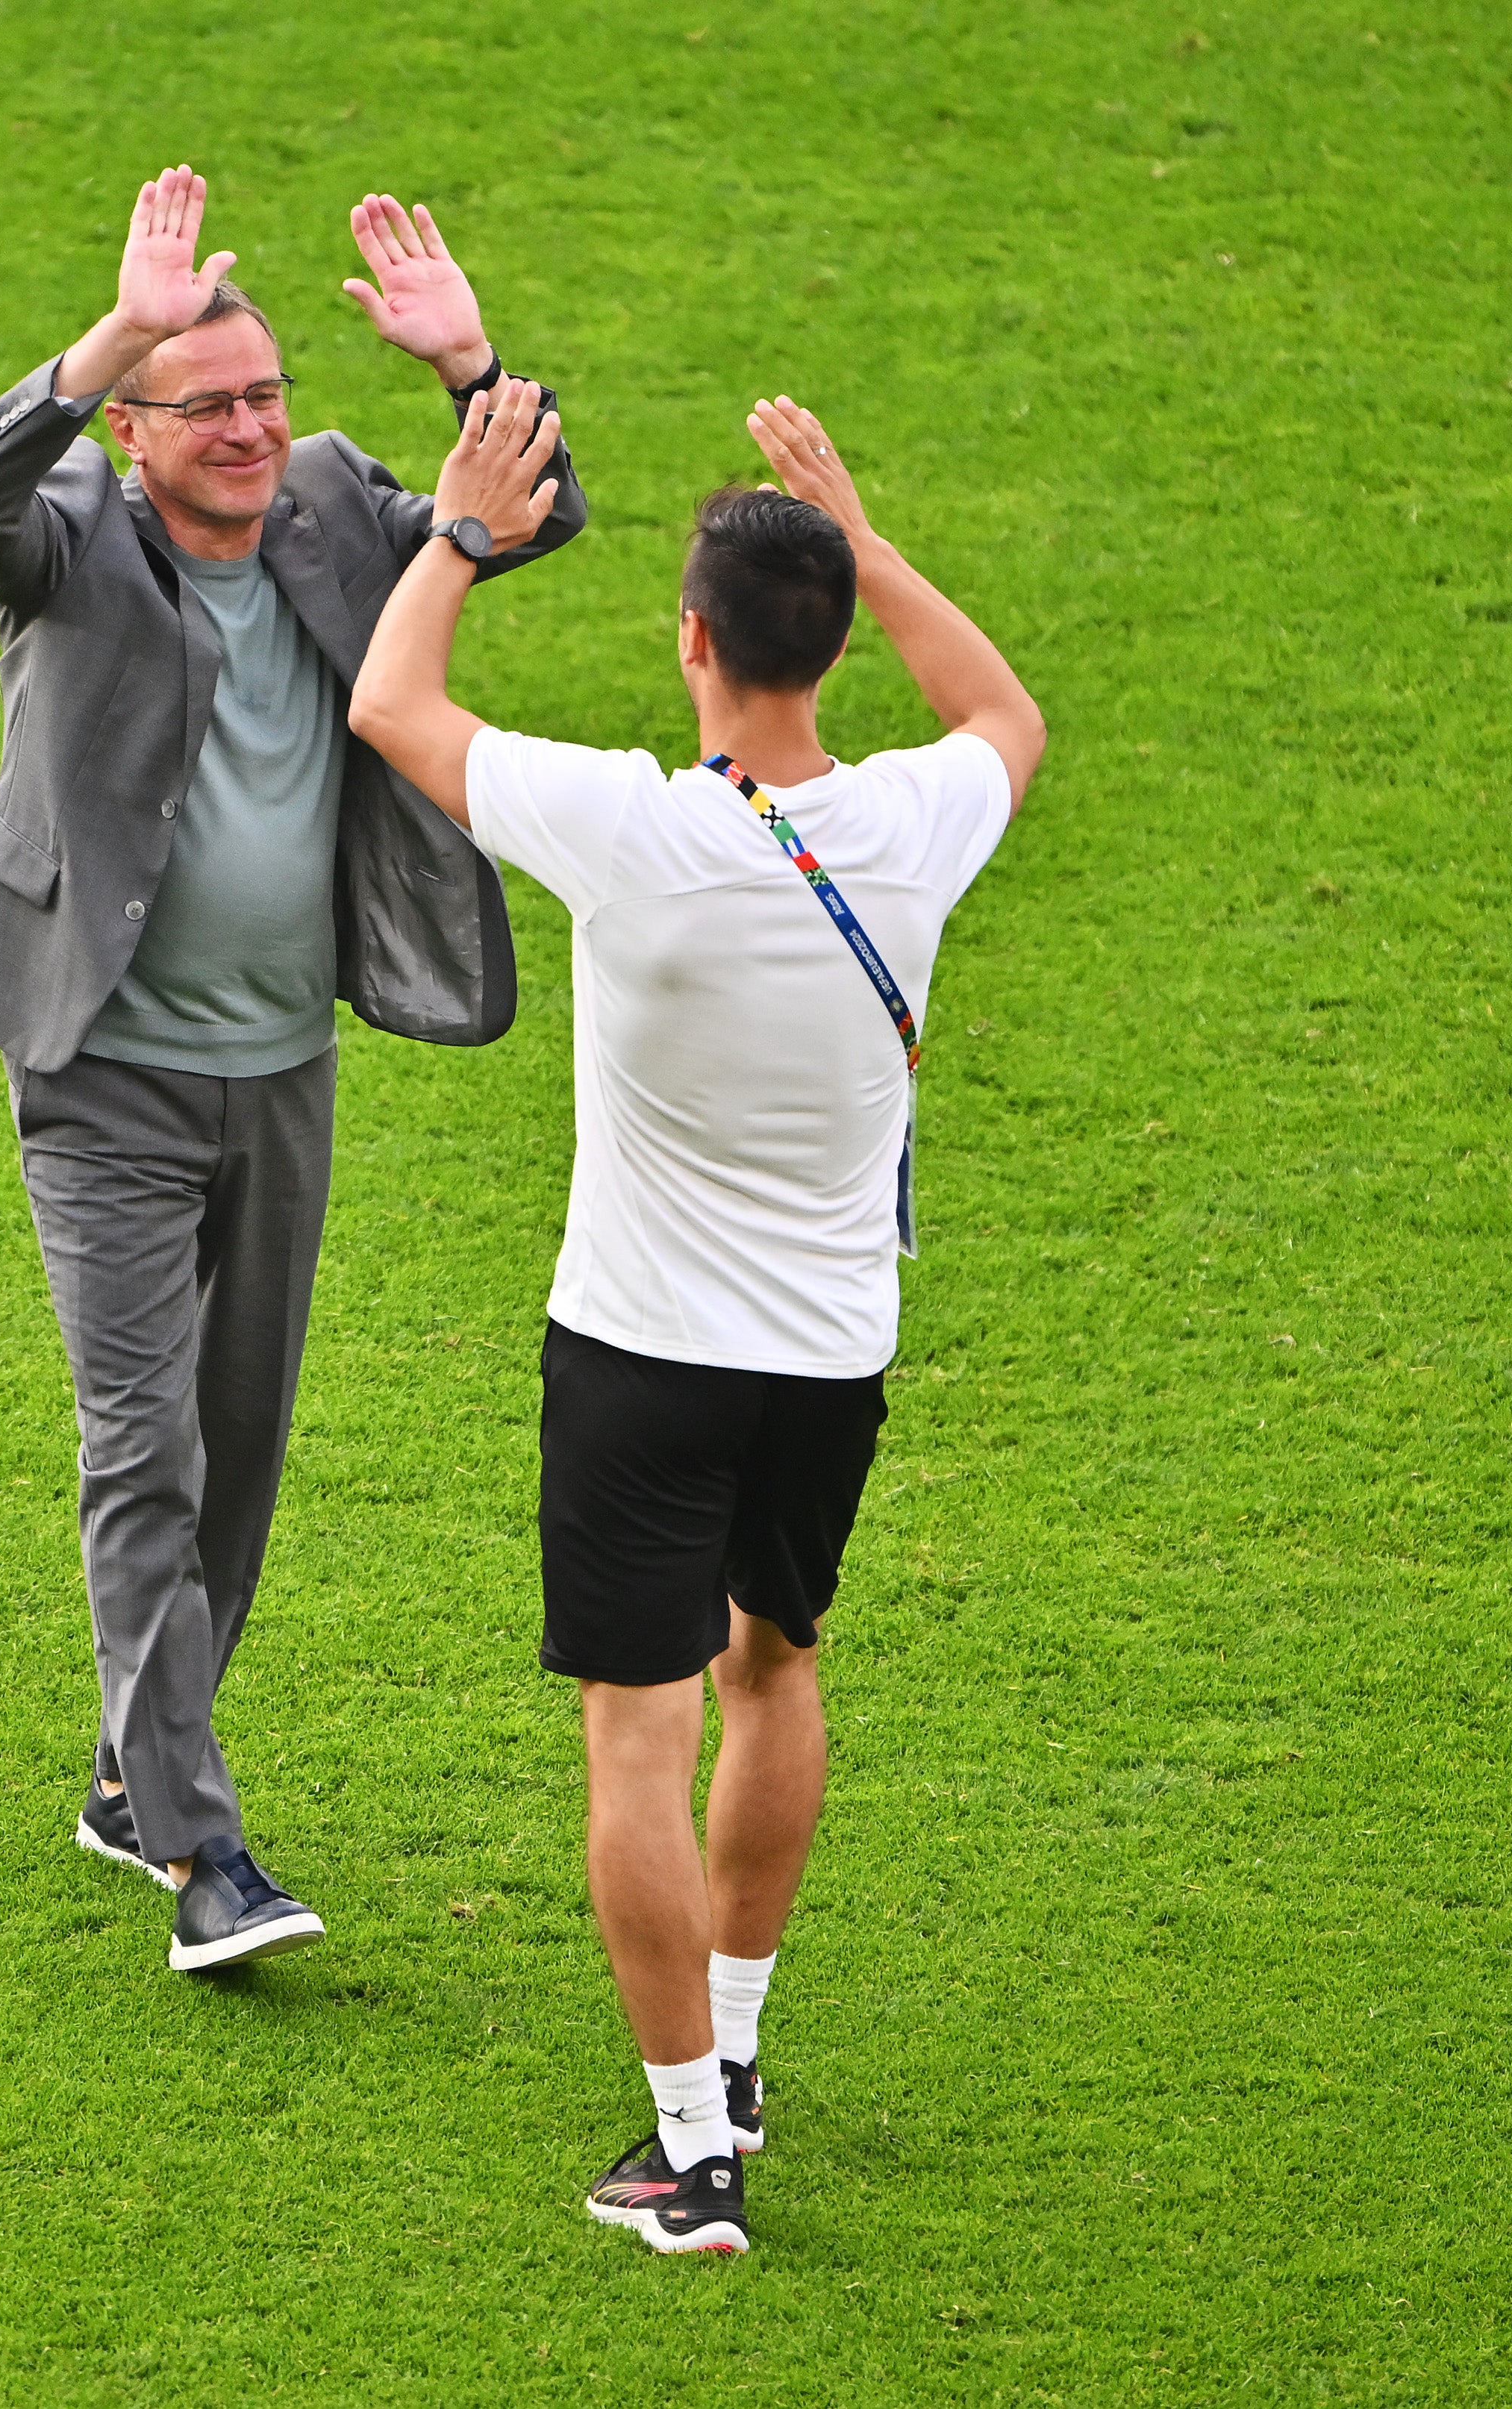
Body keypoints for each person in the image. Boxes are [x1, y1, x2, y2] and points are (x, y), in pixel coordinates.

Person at [346, 384, 1043, 2252]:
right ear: (827, 642)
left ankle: (687, 2154)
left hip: (641, 1360)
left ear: (692, 645)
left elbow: (391, 706)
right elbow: (1007, 713)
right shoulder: (917, 825)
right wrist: (863, 537)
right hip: (833, 1365)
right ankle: (731, 2050)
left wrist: (463, 533)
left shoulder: (629, 828)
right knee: (778, 1670)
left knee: (636, 1732)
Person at [0, 169, 587, 1973]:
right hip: (106, 1072)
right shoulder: (68, 531)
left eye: (264, 392)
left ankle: (135, 1772)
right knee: (141, 1449)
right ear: (131, 431)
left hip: (285, 1069)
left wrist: (473, 375)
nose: (247, 426)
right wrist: (102, 341)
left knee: (241, 1452)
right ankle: (205, 1856)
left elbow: (532, 513)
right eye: (200, 400)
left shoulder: (329, 503)